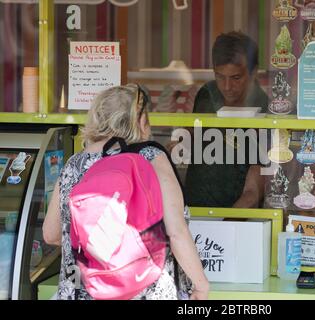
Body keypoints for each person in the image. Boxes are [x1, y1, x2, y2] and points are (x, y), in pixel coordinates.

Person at [43, 84, 209, 300]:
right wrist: (201, 285)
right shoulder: (150, 158)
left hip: (79, 293)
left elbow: (51, 234)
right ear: (140, 120)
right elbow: (176, 232)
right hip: (143, 293)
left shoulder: (75, 163)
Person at [183, 31, 269, 208]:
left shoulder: (264, 111)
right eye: (220, 76)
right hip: (194, 213)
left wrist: (225, 226)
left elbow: (253, 191)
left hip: (238, 220)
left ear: (253, 73)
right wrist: (181, 143)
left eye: (236, 78)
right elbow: (192, 140)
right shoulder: (207, 94)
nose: (227, 87)